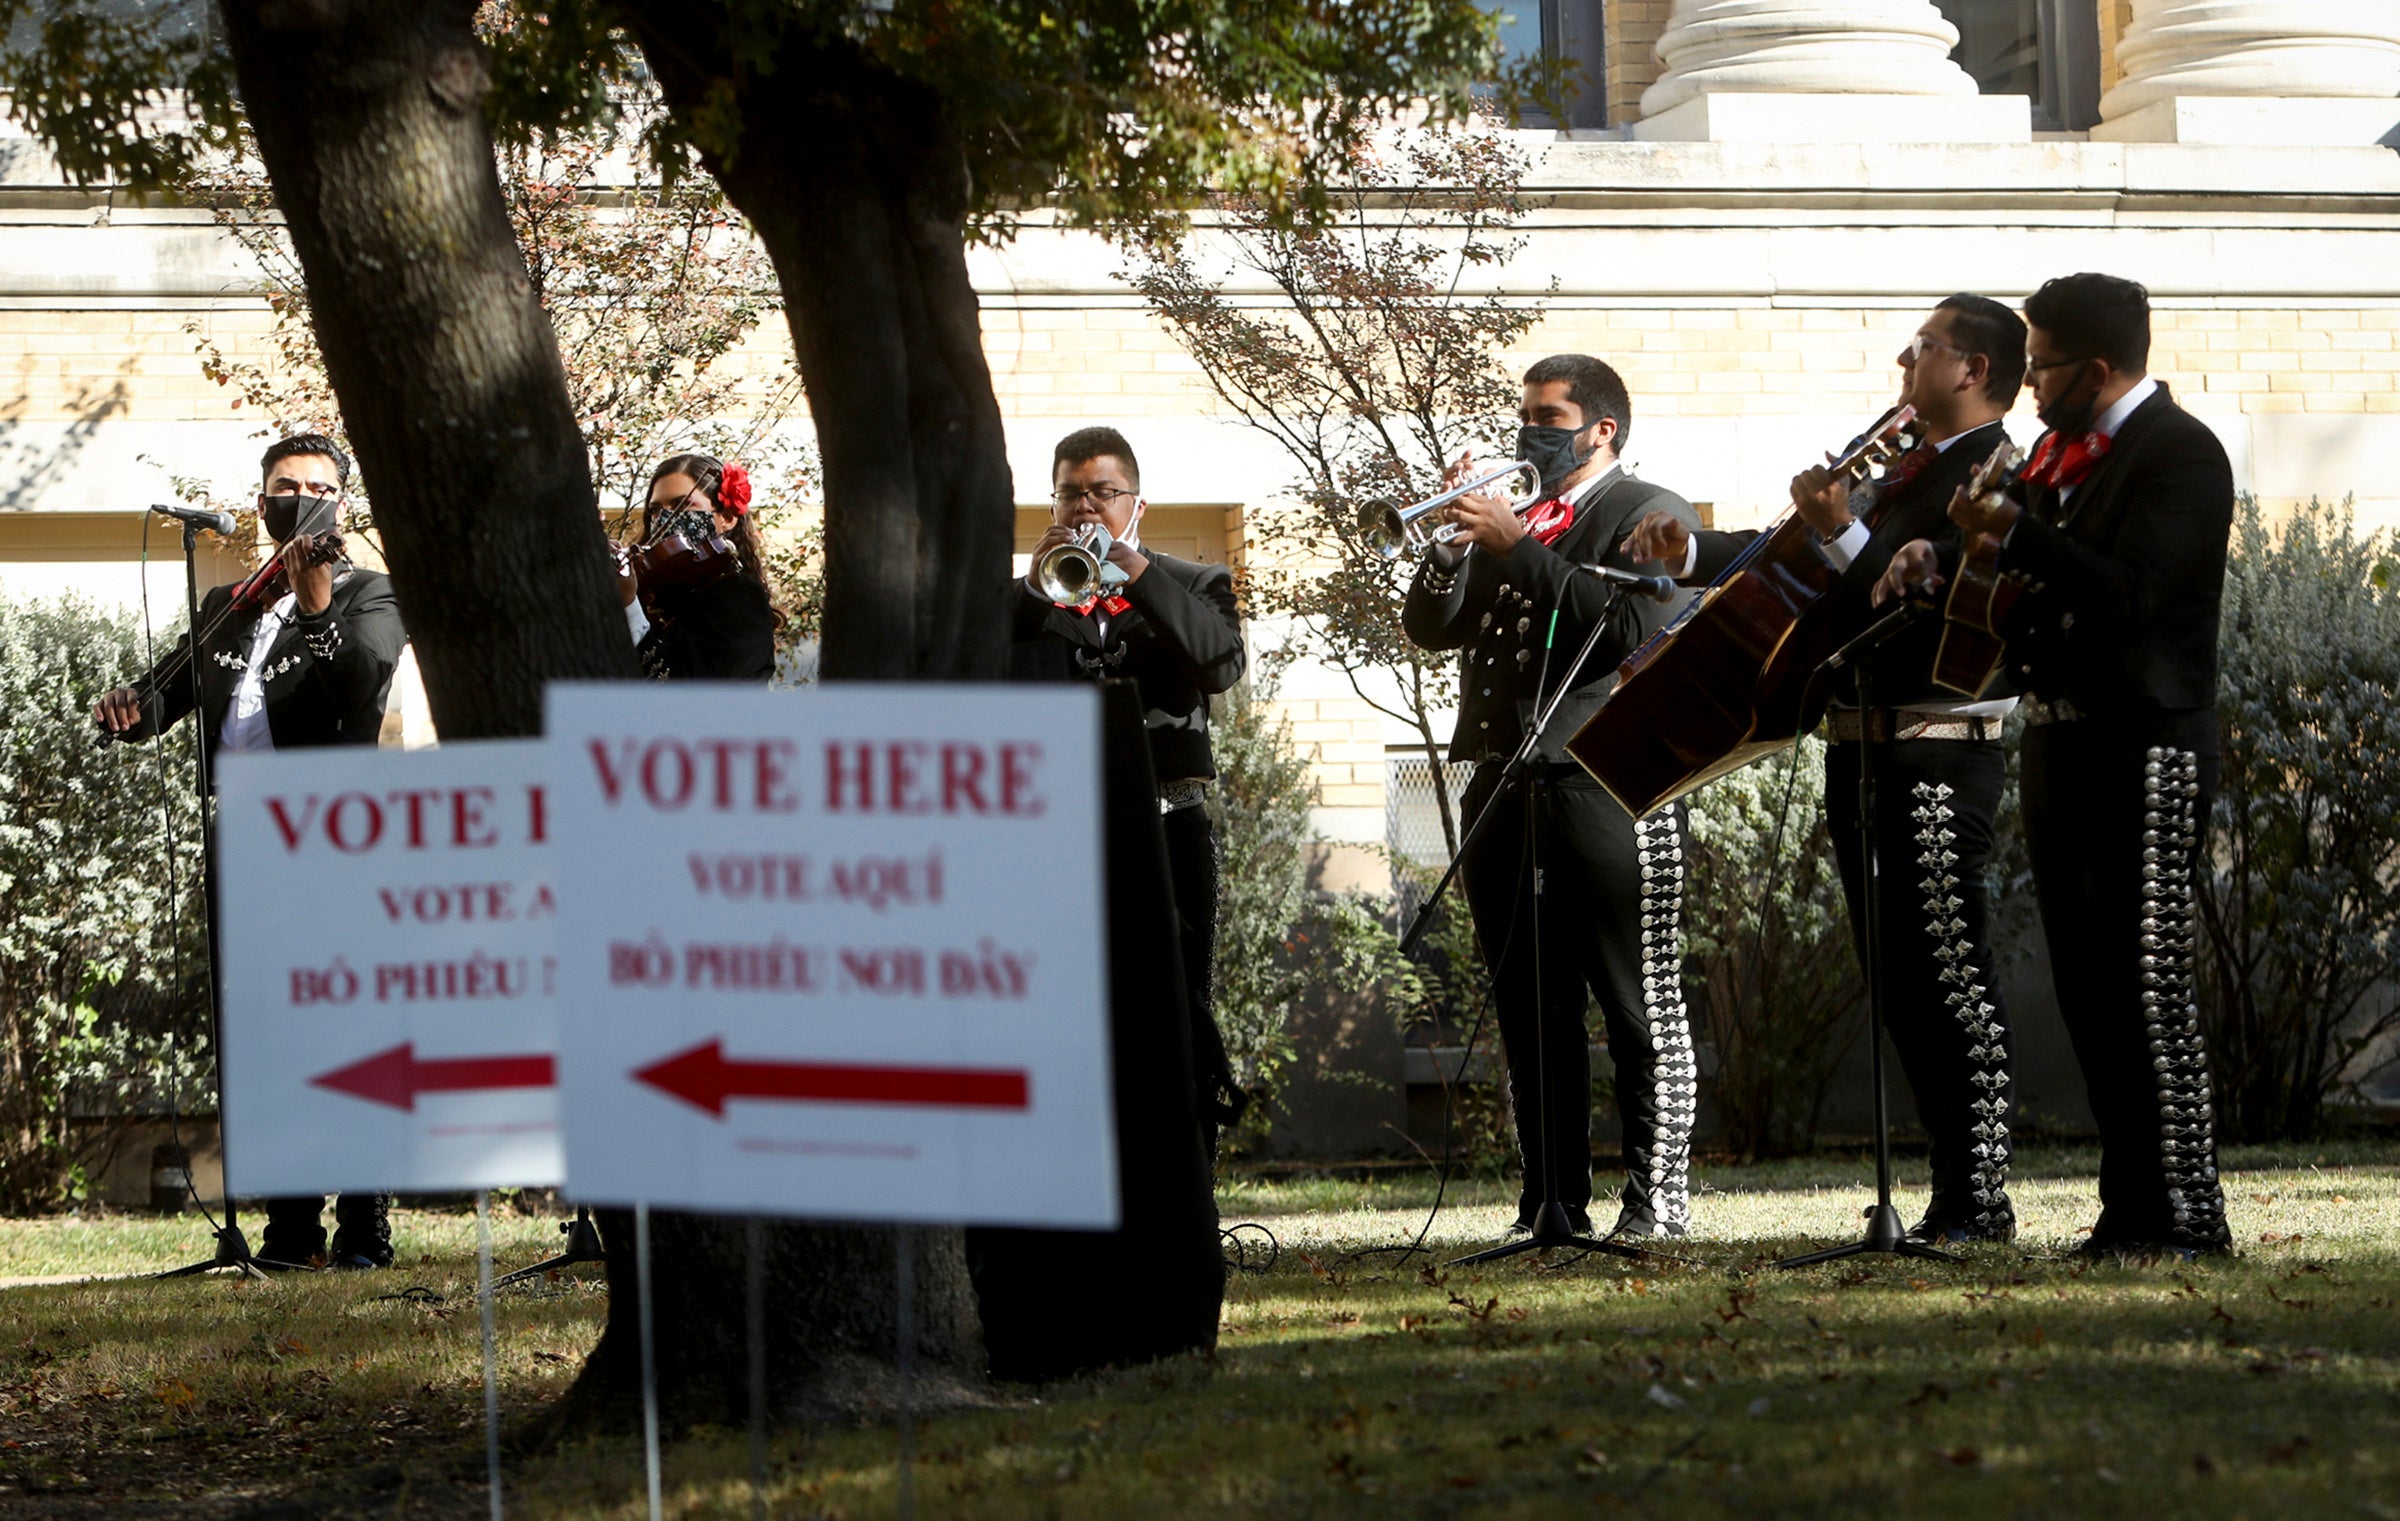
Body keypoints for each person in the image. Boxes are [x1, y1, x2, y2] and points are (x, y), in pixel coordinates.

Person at [1624, 296, 2029, 1245]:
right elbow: (1801, 560)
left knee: (1948, 975)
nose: (1903, 357)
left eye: (1923, 347)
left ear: (1970, 369)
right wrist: (1695, 552)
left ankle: (1981, 1195)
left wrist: (1848, 529)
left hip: (1937, 751)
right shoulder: (1908, 456)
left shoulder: (2002, 471)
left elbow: (1920, 593)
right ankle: (1950, 1192)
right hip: (1862, 746)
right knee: (1901, 982)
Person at [1879, 272, 2234, 1258]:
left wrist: (2020, 532)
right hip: (2063, 739)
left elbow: (2135, 598)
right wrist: (1939, 564)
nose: (2030, 383)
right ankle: (2129, 1214)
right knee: (2087, 982)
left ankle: (2187, 1215)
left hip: (2149, 743)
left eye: (2043, 366)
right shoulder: (2054, 456)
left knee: (2147, 981)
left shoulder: (2180, 454)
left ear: (2102, 367)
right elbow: (2012, 568)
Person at [1403, 356, 1701, 1242]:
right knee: (1532, 1007)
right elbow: (1432, 629)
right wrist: (1449, 550)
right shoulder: (1520, 517)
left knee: (1636, 998)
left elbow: (1626, 630)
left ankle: (1656, 1203)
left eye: (1548, 413)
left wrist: (1517, 548)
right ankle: (1551, 1204)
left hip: (1609, 780)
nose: (1530, 427)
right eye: (1526, 412)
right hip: (1503, 778)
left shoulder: (1649, 511)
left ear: (1601, 427)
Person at [95, 433, 407, 1269]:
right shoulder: (229, 601)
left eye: (317, 485)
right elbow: (167, 694)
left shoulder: (371, 593)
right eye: (284, 484)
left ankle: (364, 1226)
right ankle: (293, 1229)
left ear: (342, 503)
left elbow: (360, 693)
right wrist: (129, 705)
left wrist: (314, 610)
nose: (299, 497)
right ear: (262, 498)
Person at [1011, 426, 1248, 1144]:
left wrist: (1138, 573)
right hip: (1055, 838)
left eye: (1103, 493)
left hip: (1168, 826)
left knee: (1180, 1013)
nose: (1086, 509)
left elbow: (1221, 666)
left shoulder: (1196, 582)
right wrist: (1032, 588)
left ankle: (1188, 1214)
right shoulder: (1029, 595)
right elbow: (989, 675)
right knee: (1062, 1016)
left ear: (1135, 502)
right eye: (1070, 494)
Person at [627, 453, 780, 682]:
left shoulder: (740, 599)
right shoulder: (655, 596)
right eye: (656, 510)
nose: (665, 518)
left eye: (684, 505)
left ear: (726, 518)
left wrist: (628, 606)